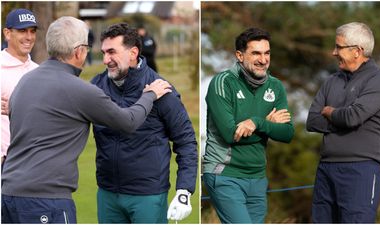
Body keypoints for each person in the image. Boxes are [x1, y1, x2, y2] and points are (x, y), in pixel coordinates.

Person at [1, 16, 172, 224]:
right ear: (78, 51)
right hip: (45, 200)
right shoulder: (79, 89)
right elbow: (128, 122)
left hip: (8, 194)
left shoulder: (25, 81)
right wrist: (150, 94)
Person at [91, 23, 198, 223]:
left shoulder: (162, 90)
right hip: (106, 193)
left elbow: (186, 141)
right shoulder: (97, 86)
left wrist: (184, 190)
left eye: (112, 52)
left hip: (148, 196)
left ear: (133, 53)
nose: (106, 60)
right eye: (103, 52)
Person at [203, 28, 294, 223]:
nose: (263, 59)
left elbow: (287, 133)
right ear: (239, 55)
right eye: (256, 53)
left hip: (258, 178)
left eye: (267, 53)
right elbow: (230, 134)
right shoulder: (223, 83)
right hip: (225, 174)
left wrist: (257, 123)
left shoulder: (276, 86)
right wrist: (269, 126)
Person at [306, 22, 380, 223]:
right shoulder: (331, 81)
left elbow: (353, 117)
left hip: (361, 170)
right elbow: (312, 121)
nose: (333, 52)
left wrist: (330, 112)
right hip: (326, 169)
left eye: (339, 47)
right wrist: (343, 119)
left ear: (357, 51)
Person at [1, 8, 38, 165]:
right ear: (7, 33)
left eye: (32, 31)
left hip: (33, 159)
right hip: (5, 160)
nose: (29, 37)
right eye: (22, 31)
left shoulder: (39, 71)